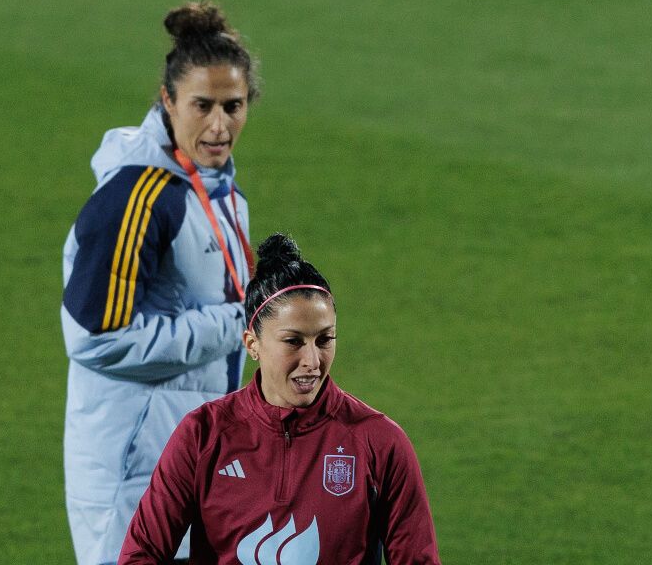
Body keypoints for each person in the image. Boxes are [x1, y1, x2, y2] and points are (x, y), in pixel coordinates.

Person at [60, 0, 259, 564]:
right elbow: (97, 337)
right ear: (168, 102)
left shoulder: (220, 191)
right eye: (202, 106)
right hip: (132, 465)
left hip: (194, 454)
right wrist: (238, 323)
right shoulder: (138, 198)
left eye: (233, 106)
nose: (219, 125)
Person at [118, 234, 441, 564]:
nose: (312, 361)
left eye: (324, 340)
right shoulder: (203, 435)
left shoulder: (379, 442)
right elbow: (142, 554)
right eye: (293, 342)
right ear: (252, 344)